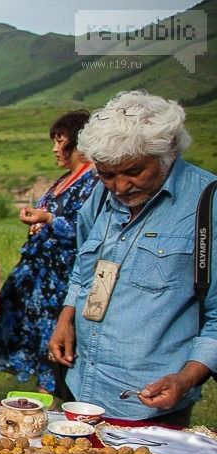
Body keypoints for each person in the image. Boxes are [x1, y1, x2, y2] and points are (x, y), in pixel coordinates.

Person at [49, 90, 217, 424]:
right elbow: (85, 267)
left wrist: (187, 378)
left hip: (148, 400)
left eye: (134, 171)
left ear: (168, 152)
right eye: (107, 174)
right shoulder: (99, 196)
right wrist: (66, 316)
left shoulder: (207, 206)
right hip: (79, 383)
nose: (120, 187)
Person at [0, 111, 98, 393]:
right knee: (36, 338)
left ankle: (57, 404)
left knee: (55, 340)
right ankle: (48, 397)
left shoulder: (94, 182)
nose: (55, 149)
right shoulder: (64, 179)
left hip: (62, 279)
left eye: (61, 141)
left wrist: (49, 220)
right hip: (39, 278)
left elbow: (89, 229)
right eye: (54, 142)